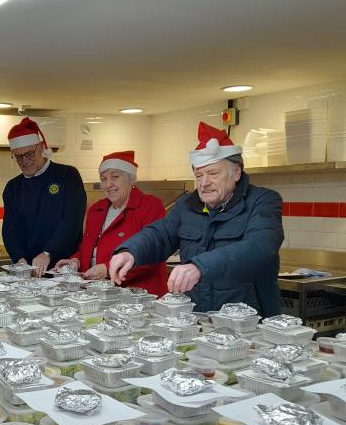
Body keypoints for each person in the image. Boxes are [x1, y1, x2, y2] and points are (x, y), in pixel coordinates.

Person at [109, 123, 284, 316]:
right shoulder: (187, 205)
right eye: (199, 175)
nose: (204, 183)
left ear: (236, 173)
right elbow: (161, 234)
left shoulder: (263, 201)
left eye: (213, 173)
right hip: (197, 320)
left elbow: (260, 247)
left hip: (249, 322)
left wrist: (200, 266)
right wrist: (130, 251)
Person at [53, 151, 167, 295]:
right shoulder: (96, 210)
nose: (108, 184)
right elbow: (87, 249)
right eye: (103, 179)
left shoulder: (150, 206)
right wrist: (75, 261)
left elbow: (152, 252)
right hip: (99, 294)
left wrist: (108, 269)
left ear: (131, 179)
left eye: (115, 177)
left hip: (138, 296)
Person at [2, 117, 86, 277]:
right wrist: (20, 260)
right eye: (18, 156)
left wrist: (48, 253)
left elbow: (71, 223)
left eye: (29, 154)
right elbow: (9, 230)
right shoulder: (13, 188)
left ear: (40, 147)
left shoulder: (67, 176)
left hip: (62, 271)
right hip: (29, 273)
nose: (24, 161)